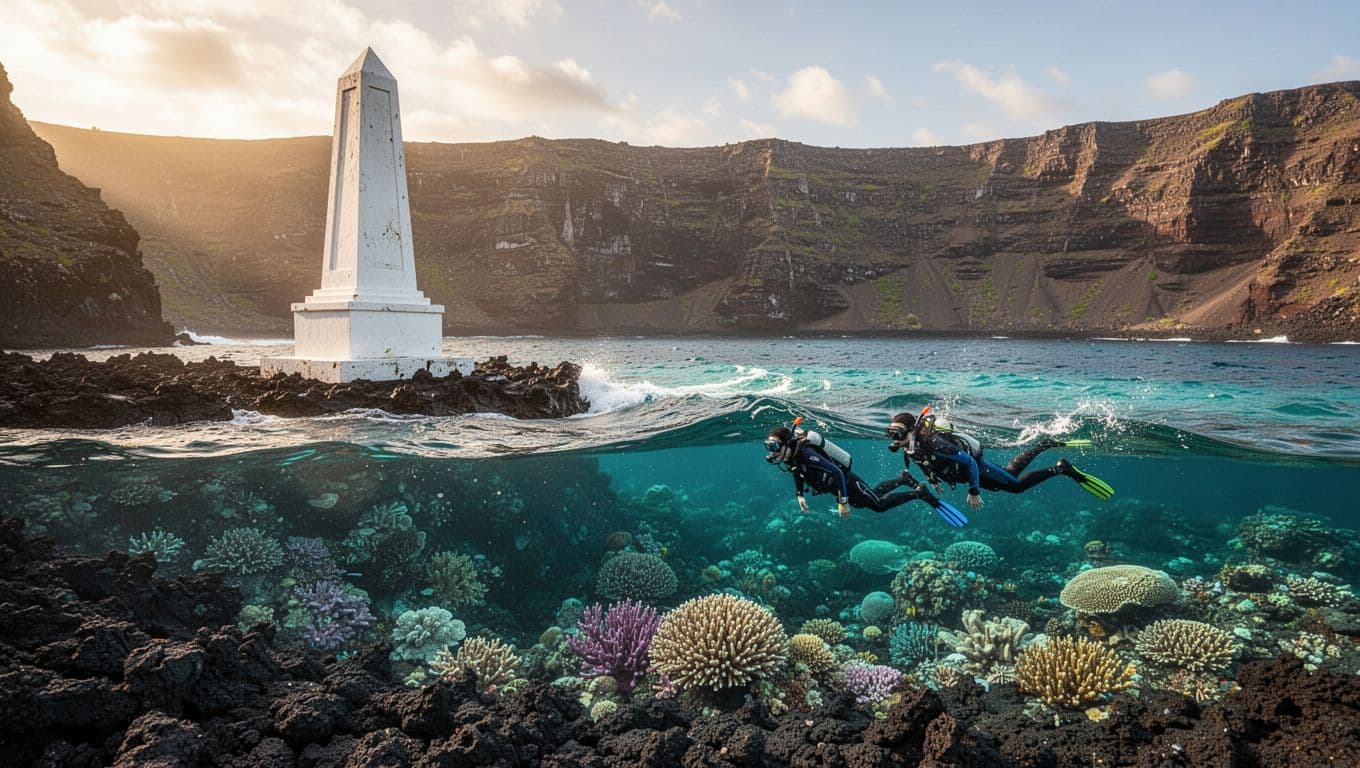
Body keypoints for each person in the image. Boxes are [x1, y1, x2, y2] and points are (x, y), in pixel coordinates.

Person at [881, 410, 1114, 511]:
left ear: (911, 431)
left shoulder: (934, 443)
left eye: (898, 433)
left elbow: (970, 464)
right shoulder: (911, 447)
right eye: (890, 433)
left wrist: (974, 491)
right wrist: (932, 479)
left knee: (1015, 486)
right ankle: (1044, 445)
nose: (894, 438)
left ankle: (1061, 468)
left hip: (974, 469)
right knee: (1008, 473)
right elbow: (923, 462)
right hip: (965, 475)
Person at [764, 420, 967, 527]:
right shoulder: (792, 457)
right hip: (839, 489)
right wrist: (799, 495)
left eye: (774, 446)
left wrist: (843, 502)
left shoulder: (806, 454)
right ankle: (903, 479)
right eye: (769, 447)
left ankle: (919, 493)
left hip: (847, 482)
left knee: (878, 505)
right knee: (867, 499)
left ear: (787, 443)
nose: (772, 452)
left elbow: (836, 472)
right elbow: (796, 472)